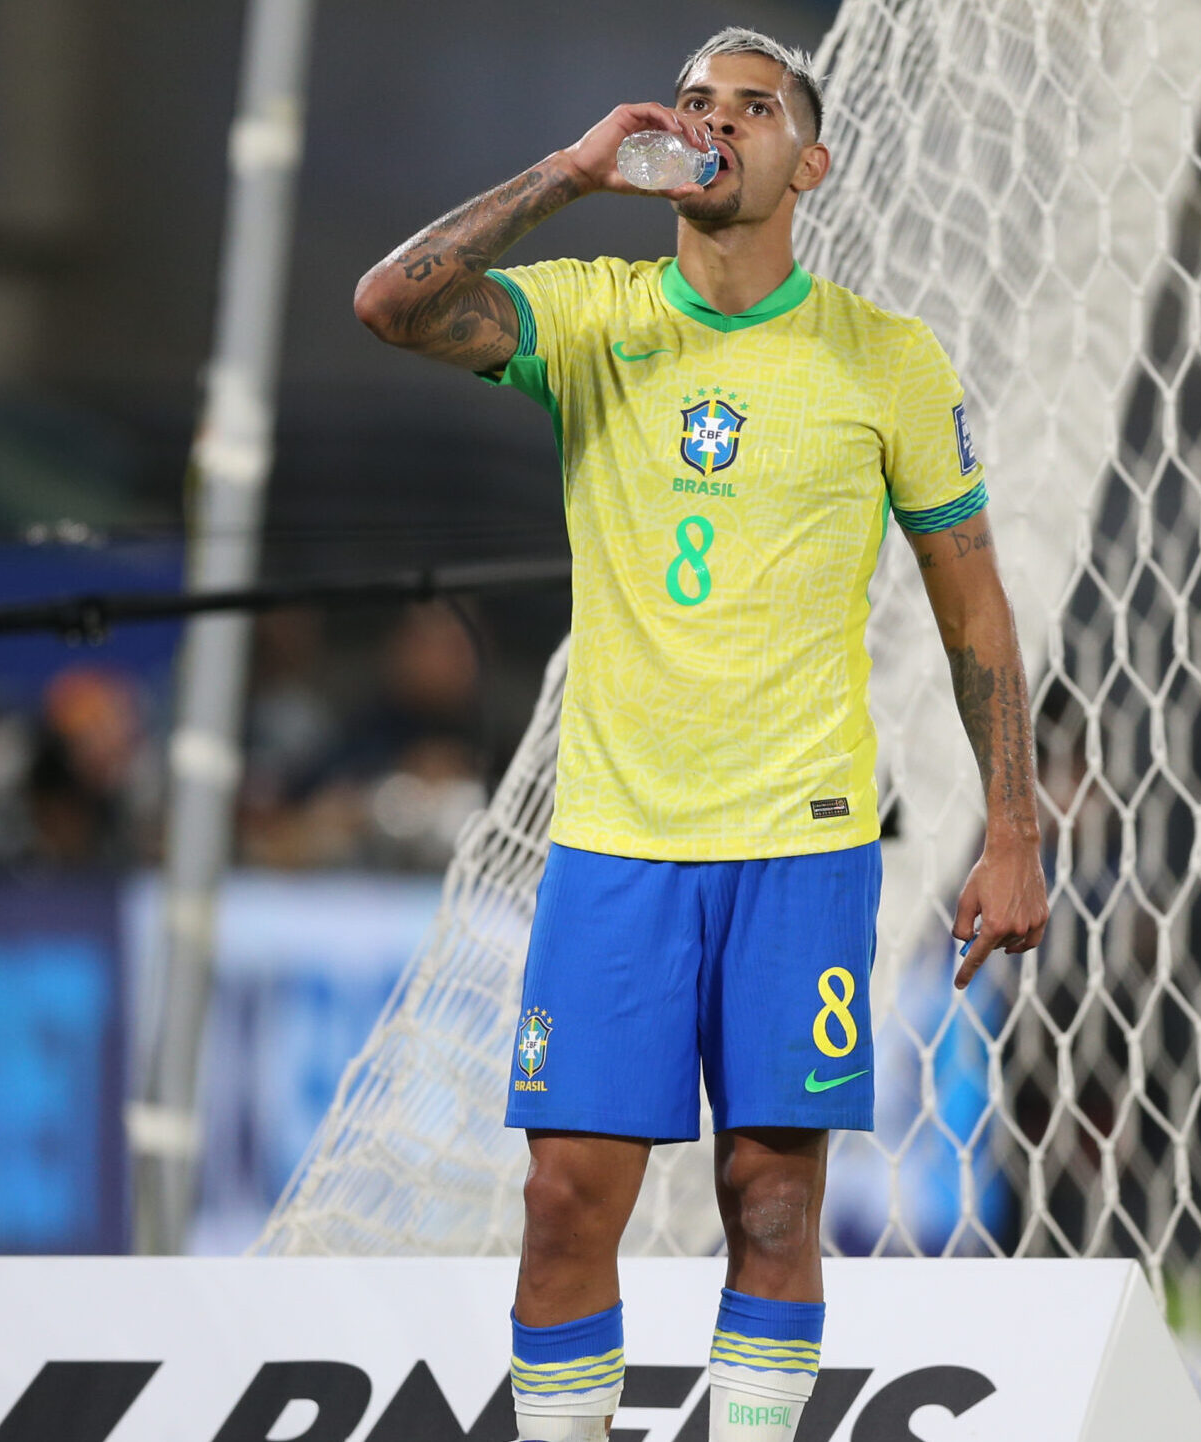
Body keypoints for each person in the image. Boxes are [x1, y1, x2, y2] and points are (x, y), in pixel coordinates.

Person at [353, 27, 1048, 1442]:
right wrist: (568, 171)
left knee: (773, 1200)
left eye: (753, 105)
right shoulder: (599, 317)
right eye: (692, 102)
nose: (713, 121)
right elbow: (391, 303)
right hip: (616, 841)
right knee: (562, 1203)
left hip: (798, 846)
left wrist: (1014, 833)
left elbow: (974, 605)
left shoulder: (885, 363)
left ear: (814, 159)